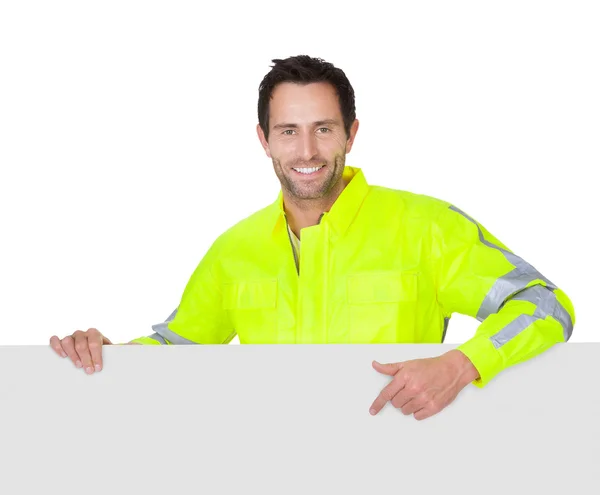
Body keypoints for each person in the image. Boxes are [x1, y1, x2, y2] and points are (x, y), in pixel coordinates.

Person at [49, 55, 576, 420]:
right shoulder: (236, 250)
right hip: (276, 472)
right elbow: (178, 346)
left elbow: (545, 304)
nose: (307, 151)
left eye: (324, 129)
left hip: (405, 472)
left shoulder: (426, 227)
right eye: (288, 131)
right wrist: (107, 356)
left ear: (351, 133)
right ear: (264, 140)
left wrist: (463, 364)